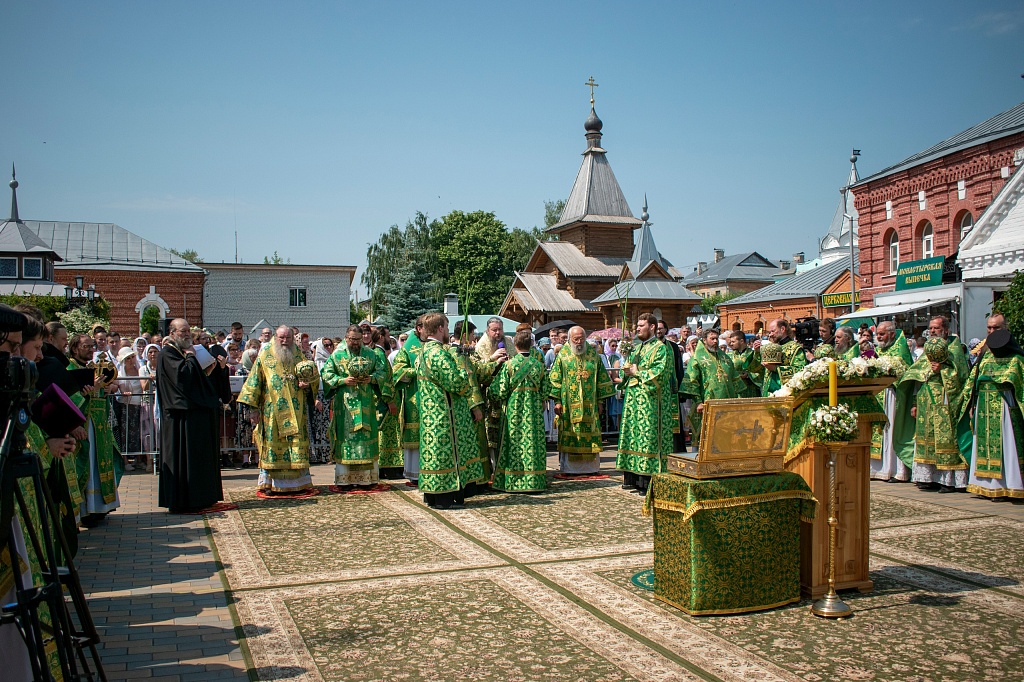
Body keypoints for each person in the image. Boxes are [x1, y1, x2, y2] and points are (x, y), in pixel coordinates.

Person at [238, 325, 319, 495]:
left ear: (292, 338)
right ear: (275, 337)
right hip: (272, 413)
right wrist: (253, 409)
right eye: (281, 338)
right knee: (273, 447)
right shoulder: (265, 357)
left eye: (288, 338)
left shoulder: (299, 356)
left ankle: (298, 484)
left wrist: (307, 385)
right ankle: (270, 484)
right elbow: (254, 383)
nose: (284, 341)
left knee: (295, 446)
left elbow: (311, 380)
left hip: (296, 412)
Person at [416, 312, 485, 509]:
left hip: (432, 411)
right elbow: (455, 382)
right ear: (439, 329)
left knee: (435, 454)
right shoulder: (437, 352)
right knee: (443, 455)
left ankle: (433, 496)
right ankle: (443, 498)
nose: (447, 331)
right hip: (443, 413)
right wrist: (465, 371)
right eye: (446, 328)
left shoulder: (424, 350)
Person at [156, 319, 224, 513]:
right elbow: (182, 377)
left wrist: (208, 370)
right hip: (179, 416)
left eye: (188, 331)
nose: (186, 335)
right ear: (172, 332)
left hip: (192, 413)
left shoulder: (180, 352)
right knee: (183, 459)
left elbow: (194, 378)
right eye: (182, 331)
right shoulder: (167, 353)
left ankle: (201, 497)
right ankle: (185, 500)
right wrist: (193, 357)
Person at [960, 318, 1024, 499]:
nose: (991, 330)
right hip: (983, 406)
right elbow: (973, 380)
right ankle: (984, 485)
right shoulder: (985, 355)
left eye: (996, 327)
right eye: (989, 327)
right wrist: (971, 403)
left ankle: (1008, 485)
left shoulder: (1016, 357)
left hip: (1004, 405)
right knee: (983, 445)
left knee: (1006, 445)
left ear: (1005, 329)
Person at [896, 335, 970, 493]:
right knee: (925, 439)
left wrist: (943, 370)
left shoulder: (954, 352)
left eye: (937, 328)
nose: (934, 331)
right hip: (925, 403)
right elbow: (918, 379)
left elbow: (961, 381)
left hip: (944, 404)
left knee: (945, 439)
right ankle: (927, 478)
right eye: (932, 328)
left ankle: (948, 480)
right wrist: (915, 404)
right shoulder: (925, 358)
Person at [320, 325, 389, 489]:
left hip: (366, 404)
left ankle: (366, 479)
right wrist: (342, 381)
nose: (356, 343)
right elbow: (326, 374)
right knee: (347, 440)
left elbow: (383, 373)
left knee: (365, 438)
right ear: (346, 338)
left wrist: (372, 379)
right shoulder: (337, 355)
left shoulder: (370, 354)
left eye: (358, 340)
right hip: (345, 407)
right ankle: (345, 480)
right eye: (353, 340)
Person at [67, 332, 123, 525]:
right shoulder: (70, 368)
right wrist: (90, 389)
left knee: (101, 464)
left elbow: (100, 396)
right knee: (86, 467)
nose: (91, 350)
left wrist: (106, 390)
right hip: (83, 424)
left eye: (92, 346)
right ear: (75, 348)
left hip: (99, 425)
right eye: (86, 347)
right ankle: (86, 509)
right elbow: (69, 399)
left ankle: (100, 507)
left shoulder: (94, 368)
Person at [616, 313, 674, 493]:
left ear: (652, 327)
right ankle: (632, 478)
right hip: (633, 401)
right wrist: (625, 371)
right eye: (637, 326)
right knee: (632, 437)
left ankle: (647, 481)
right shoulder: (635, 348)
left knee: (647, 438)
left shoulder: (661, 348)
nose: (637, 328)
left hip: (650, 402)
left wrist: (637, 372)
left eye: (641, 325)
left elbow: (662, 372)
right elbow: (625, 373)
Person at [489, 330, 551, 492]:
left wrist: (490, 392)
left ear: (515, 345)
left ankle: (511, 481)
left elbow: (499, 391)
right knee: (532, 443)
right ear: (531, 345)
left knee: (513, 443)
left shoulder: (509, 365)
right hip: (534, 412)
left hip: (514, 411)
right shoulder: (539, 366)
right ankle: (534, 481)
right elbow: (546, 390)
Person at [548, 326, 614, 476]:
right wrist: (557, 401)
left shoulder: (593, 355)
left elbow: (601, 380)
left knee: (590, 436)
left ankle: (590, 468)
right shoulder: (563, 355)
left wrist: (600, 402)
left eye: (581, 339)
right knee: (571, 436)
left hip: (590, 406)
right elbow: (555, 380)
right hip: (568, 406)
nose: (579, 342)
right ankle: (569, 469)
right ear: (569, 339)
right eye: (575, 339)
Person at [681, 328, 743, 450]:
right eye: (712, 339)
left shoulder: (725, 357)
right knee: (707, 436)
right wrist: (698, 401)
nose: (715, 341)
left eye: (716, 339)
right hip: (707, 403)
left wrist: (737, 398)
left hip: (727, 403)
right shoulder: (697, 358)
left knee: (725, 434)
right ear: (704, 340)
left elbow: (734, 378)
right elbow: (692, 381)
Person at [869, 320, 914, 482]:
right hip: (879, 394)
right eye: (877, 334)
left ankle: (896, 470)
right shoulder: (878, 349)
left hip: (893, 395)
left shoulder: (900, 348)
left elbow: (907, 371)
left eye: (882, 334)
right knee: (880, 431)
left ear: (892, 334)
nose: (879, 337)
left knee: (892, 430)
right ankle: (877, 469)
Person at [391, 316, 425, 484]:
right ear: (419, 328)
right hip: (414, 399)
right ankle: (415, 473)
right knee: (415, 438)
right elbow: (397, 372)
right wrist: (416, 371)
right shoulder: (408, 348)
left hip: (434, 400)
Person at [371, 327, 403, 479]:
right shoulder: (379, 354)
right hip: (385, 402)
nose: (389, 339)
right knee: (386, 435)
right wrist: (390, 401)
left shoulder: (377, 354)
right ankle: (388, 468)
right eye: (388, 336)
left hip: (383, 401)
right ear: (380, 337)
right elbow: (383, 380)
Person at [753, 318, 808, 396]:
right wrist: (757, 352)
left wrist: (776, 368)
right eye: (770, 332)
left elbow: (800, 370)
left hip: (785, 393)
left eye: (773, 331)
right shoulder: (769, 347)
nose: (770, 334)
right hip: (767, 393)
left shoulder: (795, 348)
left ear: (782, 329)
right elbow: (757, 370)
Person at [656, 319, 686, 451]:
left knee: (674, 422)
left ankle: (675, 450)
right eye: (656, 328)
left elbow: (679, 369)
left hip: (671, 390)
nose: (659, 330)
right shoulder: (648, 346)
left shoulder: (673, 347)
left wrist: (680, 390)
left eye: (661, 328)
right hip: (655, 390)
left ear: (666, 330)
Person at [725, 331, 761, 398]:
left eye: (733, 342)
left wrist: (748, 375)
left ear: (741, 341)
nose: (731, 344)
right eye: (731, 342)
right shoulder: (728, 356)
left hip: (751, 389)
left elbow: (759, 369)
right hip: (735, 390)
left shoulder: (753, 354)